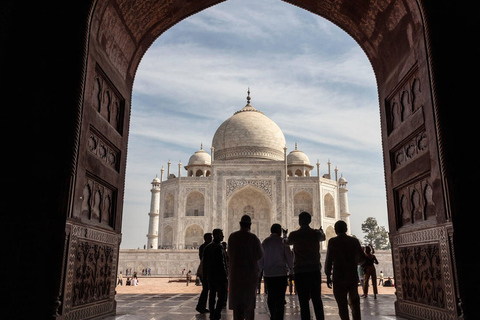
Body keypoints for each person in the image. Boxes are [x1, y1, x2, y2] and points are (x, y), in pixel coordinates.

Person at [286, 212, 326, 320]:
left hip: (300, 270)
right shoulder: (315, 233)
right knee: (317, 299)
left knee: (303, 301)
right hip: (314, 270)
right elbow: (323, 237)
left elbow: (286, 242)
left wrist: (285, 235)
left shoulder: (294, 234)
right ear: (310, 221)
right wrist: (321, 231)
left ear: (299, 221)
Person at [325, 220, 365, 320]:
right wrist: (355, 262)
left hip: (338, 276)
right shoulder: (354, 241)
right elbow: (362, 258)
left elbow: (329, 260)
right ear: (346, 229)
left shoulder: (333, 242)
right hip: (351, 275)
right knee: (355, 302)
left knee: (342, 305)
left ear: (335, 230)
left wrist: (328, 275)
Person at [228, 215, 264, 320]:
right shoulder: (253, 238)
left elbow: (229, 253)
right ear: (250, 225)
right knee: (249, 303)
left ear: (240, 224)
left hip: (236, 274)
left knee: (237, 303)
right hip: (249, 273)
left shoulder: (233, 237)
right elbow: (261, 255)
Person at [258, 223, 293, 320]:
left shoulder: (265, 242)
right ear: (279, 231)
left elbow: (261, 259)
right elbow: (289, 257)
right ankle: (279, 317)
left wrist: (258, 272)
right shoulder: (283, 242)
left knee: (271, 296)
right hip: (281, 273)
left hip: (268, 274)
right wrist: (291, 271)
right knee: (280, 297)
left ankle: (273, 315)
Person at [203, 229, 228, 320]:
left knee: (212, 295)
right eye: (221, 234)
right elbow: (222, 263)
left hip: (210, 275)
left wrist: (205, 276)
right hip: (219, 276)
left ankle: (212, 313)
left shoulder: (207, 247)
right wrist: (225, 276)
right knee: (222, 295)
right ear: (217, 235)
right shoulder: (219, 247)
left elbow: (204, 264)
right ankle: (217, 313)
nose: (223, 236)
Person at [196, 233, 212, 314]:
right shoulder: (204, 247)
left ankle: (202, 306)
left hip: (206, 271)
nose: (211, 239)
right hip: (205, 271)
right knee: (205, 289)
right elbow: (204, 259)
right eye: (210, 238)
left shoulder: (206, 246)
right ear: (206, 238)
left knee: (205, 290)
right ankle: (200, 306)